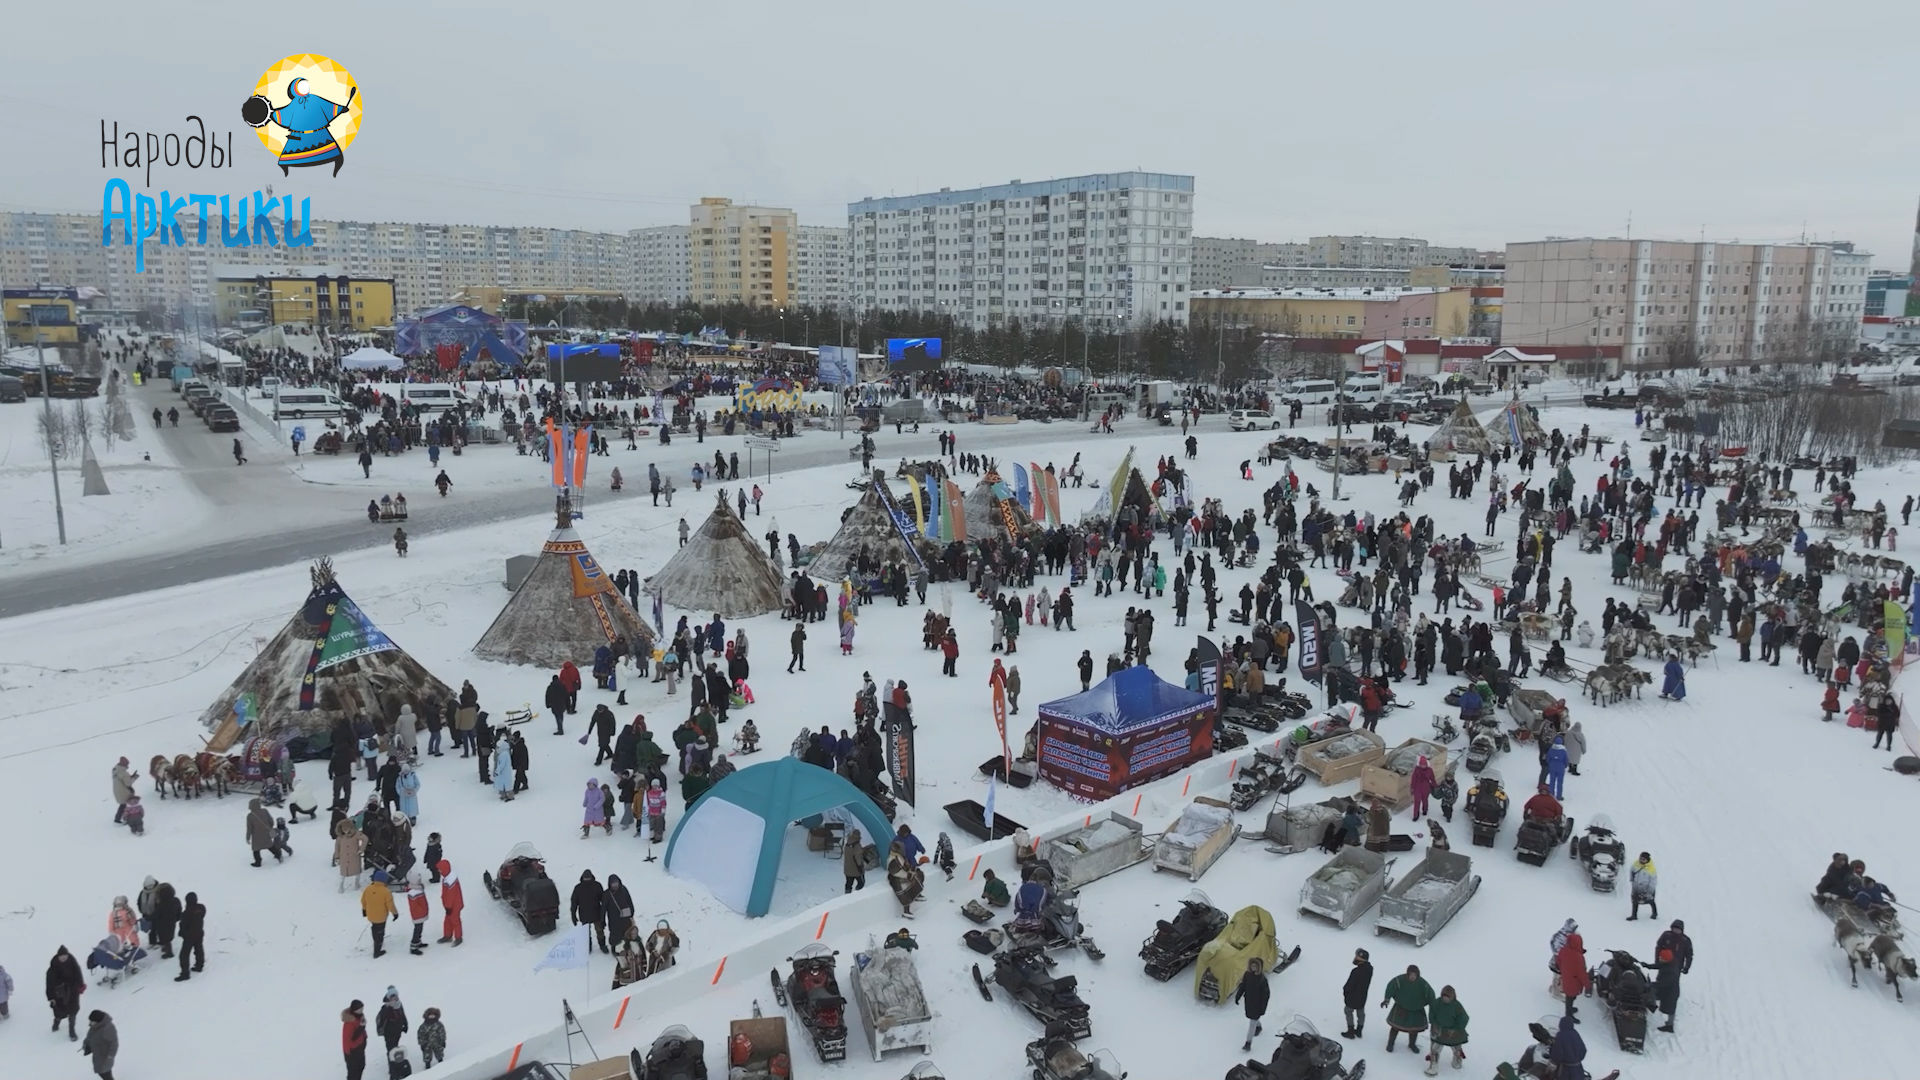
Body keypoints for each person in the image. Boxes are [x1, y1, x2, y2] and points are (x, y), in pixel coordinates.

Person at [1381, 964, 1435, 1053]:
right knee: (1395, 1027)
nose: (1413, 977)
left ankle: (1412, 1044)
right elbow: (1391, 986)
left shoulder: (1423, 984)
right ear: (1407, 974)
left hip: (1416, 1010)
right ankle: (1390, 1043)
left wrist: (1433, 1007)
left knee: (1414, 1030)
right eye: (1411, 975)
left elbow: (1431, 995)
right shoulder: (1400, 980)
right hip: (1401, 1008)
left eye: (1415, 975)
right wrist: (1387, 999)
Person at [1649, 919, 1692, 1033]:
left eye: (1678, 929)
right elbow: (1658, 946)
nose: (1676, 930)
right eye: (1674, 928)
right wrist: (1657, 961)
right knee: (1663, 981)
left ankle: (1668, 1021)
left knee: (1668, 985)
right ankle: (1657, 998)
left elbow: (1689, 954)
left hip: (1675, 967)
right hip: (1665, 963)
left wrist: (1686, 967)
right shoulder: (1666, 935)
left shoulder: (1685, 940)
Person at [1425, 985, 1469, 1075]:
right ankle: (1433, 1067)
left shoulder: (1457, 1006)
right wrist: (1433, 1024)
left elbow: (1464, 1018)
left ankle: (1457, 1061)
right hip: (1439, 1031)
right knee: (1434, 1050)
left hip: (1453, 1032)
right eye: (1444, 997)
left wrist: (1457, 1028)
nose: (1445, 999)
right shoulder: (1437, 1003)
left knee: (1457, 1049)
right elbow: (1432, 1013)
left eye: (1447, 997)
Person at [1233, 957, 1271, 1052]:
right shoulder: (1247, 975)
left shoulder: (1262, 980)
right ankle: (1259, 1026)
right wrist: (1238, 996)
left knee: (1252, 1023)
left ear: (1259, 967)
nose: (1253, 967)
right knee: (1253, 1018)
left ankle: (1248, 1043)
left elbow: (1266, 996)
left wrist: (1263, 1008)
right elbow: (1243, 986)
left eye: (1255, 966)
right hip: (1249, 1002)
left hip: (1257, 1004)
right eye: (1252, 965)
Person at [46, 946, 84, 1039]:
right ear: (58, 957)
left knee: (73, 1011)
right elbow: (49, 984)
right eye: (61, 956)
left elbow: (78, 974)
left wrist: (80, 985)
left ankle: (72, 1030)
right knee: (59, 1011)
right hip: (59, 994)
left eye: (65, 956)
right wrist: (51, 997)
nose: (63, 958)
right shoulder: (52, 968)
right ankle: (56, 1022)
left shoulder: (73, 963)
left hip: (72, 991)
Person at [362, 870, 398, 958]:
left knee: (374, 927)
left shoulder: (368, 889)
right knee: (380, 932)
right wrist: (395, 913)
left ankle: (375, 939)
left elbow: (363, 901)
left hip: (371, 915)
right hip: (381, 917)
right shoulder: (386, 891)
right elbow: (390, 905)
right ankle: (377, 951)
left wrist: (364, 910)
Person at [571, 870, 608, 953]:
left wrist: (605, 912)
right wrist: (573, 915)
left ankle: (602, 945)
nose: (587, 880)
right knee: (586, 933)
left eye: (588, 878)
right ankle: (588, 947)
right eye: (586, 878)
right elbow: (574, 902)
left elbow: (603, 900)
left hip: (596, 913)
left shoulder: (597, 886)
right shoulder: (578, 888)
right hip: (585, 914)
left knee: (600, 931)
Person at [1556, 927, 1590, 1016]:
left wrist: (1564, 971)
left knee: (1569, 996)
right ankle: (1569, 1014)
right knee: (1570, 997)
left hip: (1566, 978)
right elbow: (1582, 973)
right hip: (1574, 981)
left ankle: (1570, 1009)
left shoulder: (1563, 950)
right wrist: (1587, 985)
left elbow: (1559, 961)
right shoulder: (1578, 957)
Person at [1342, 948, 1374, 1040]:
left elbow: (1349, 985)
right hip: (1363, 996)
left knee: (1348, 1011)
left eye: (1357, 956)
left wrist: (1345, 992)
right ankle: (1359, 1030)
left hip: (1352, 997)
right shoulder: (1369, 969)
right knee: (1361, 1013)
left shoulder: (1356, 971)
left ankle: (1350, 1031)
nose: (1355, 957)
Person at [173, 890, 206, 981]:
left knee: (184, 955)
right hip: (199, 933)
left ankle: (185, 973)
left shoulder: (187, 912)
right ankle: (199, 965)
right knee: (199, 949)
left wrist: (182, 933)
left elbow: (183, 925)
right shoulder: (201, 908)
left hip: (189, 936)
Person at [82, 1009, 118, 1080]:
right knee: (101, 1071)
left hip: (105, 1057)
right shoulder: (95, 1026)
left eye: (92, 1021)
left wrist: (110, 1056)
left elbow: (114, 1043)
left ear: (98, 1021)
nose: (90, 1023)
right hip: (98, 1055)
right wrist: (86, 1043)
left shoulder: (108, 1028)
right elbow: (90, 1035)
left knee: (104, 1073)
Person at [437, 861, 464, 946]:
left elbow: (451, 895)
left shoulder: (450, 880)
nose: (439, 871)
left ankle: (458, 937)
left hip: (454, 905)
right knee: (448, 920)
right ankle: (447, 935)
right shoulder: (447, 877)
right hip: (450, 905)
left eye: (440, 870)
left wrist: (448, 906)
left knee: (455, 920)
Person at [376, 987, 409, 1052]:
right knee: (390, 1047)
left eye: (395, 997)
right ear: (389, 998)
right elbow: (382, 1019)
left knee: (396, 1044)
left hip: (398, 1028)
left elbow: (402, 1014)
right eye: (392, 998)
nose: (394, 999)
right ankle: (391, 1060)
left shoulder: (399, 1004)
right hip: (389, 1031)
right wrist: (389, 1007)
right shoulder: (386, 1007)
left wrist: (405, 1024)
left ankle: (396, 1058)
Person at [1628, 853, 1658, 920]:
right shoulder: (1636, 864)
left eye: (1643, 859)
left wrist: (1650, 891)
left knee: (1651, 901)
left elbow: (1653, 881)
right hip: (1636, 888)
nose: (1641, 860)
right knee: (1634, 901)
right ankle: (1634, 915)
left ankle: (1654, 913)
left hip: (1646, 889)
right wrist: (1632, 879)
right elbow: (1631, 870)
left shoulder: (1651, 869)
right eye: (1640, 858)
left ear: (1647, 860)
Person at [111, 757, 136, 824]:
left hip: (117, 790)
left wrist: (129, 777)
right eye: (127, 764)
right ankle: (124, 819)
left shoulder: (115, 769)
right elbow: (128, 783)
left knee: (123, 805)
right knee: (125, 805)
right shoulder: (124, 773)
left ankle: (117, 818)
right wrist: (134, 778)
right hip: (124, 792)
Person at [843, 828, 867, 893]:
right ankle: (857, 896)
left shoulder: (847, 843)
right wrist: (860, 867)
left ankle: (847, 896)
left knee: (849, 883)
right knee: (861, 883)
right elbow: (858, 857)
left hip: (847, 868)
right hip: (855, 869)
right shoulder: (857, 845)